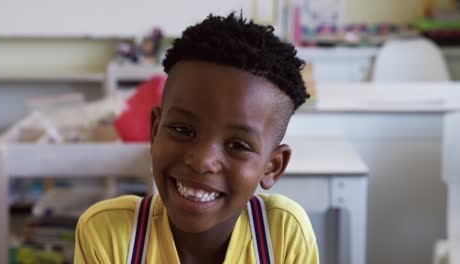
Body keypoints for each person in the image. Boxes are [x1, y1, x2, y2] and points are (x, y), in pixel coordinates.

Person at [74, 12, 319, 264]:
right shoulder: (109, 234)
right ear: (155, 131)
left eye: (237, 145)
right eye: (183, 130)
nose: (202, 161)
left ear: (273, 166)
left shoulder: (282, 235)